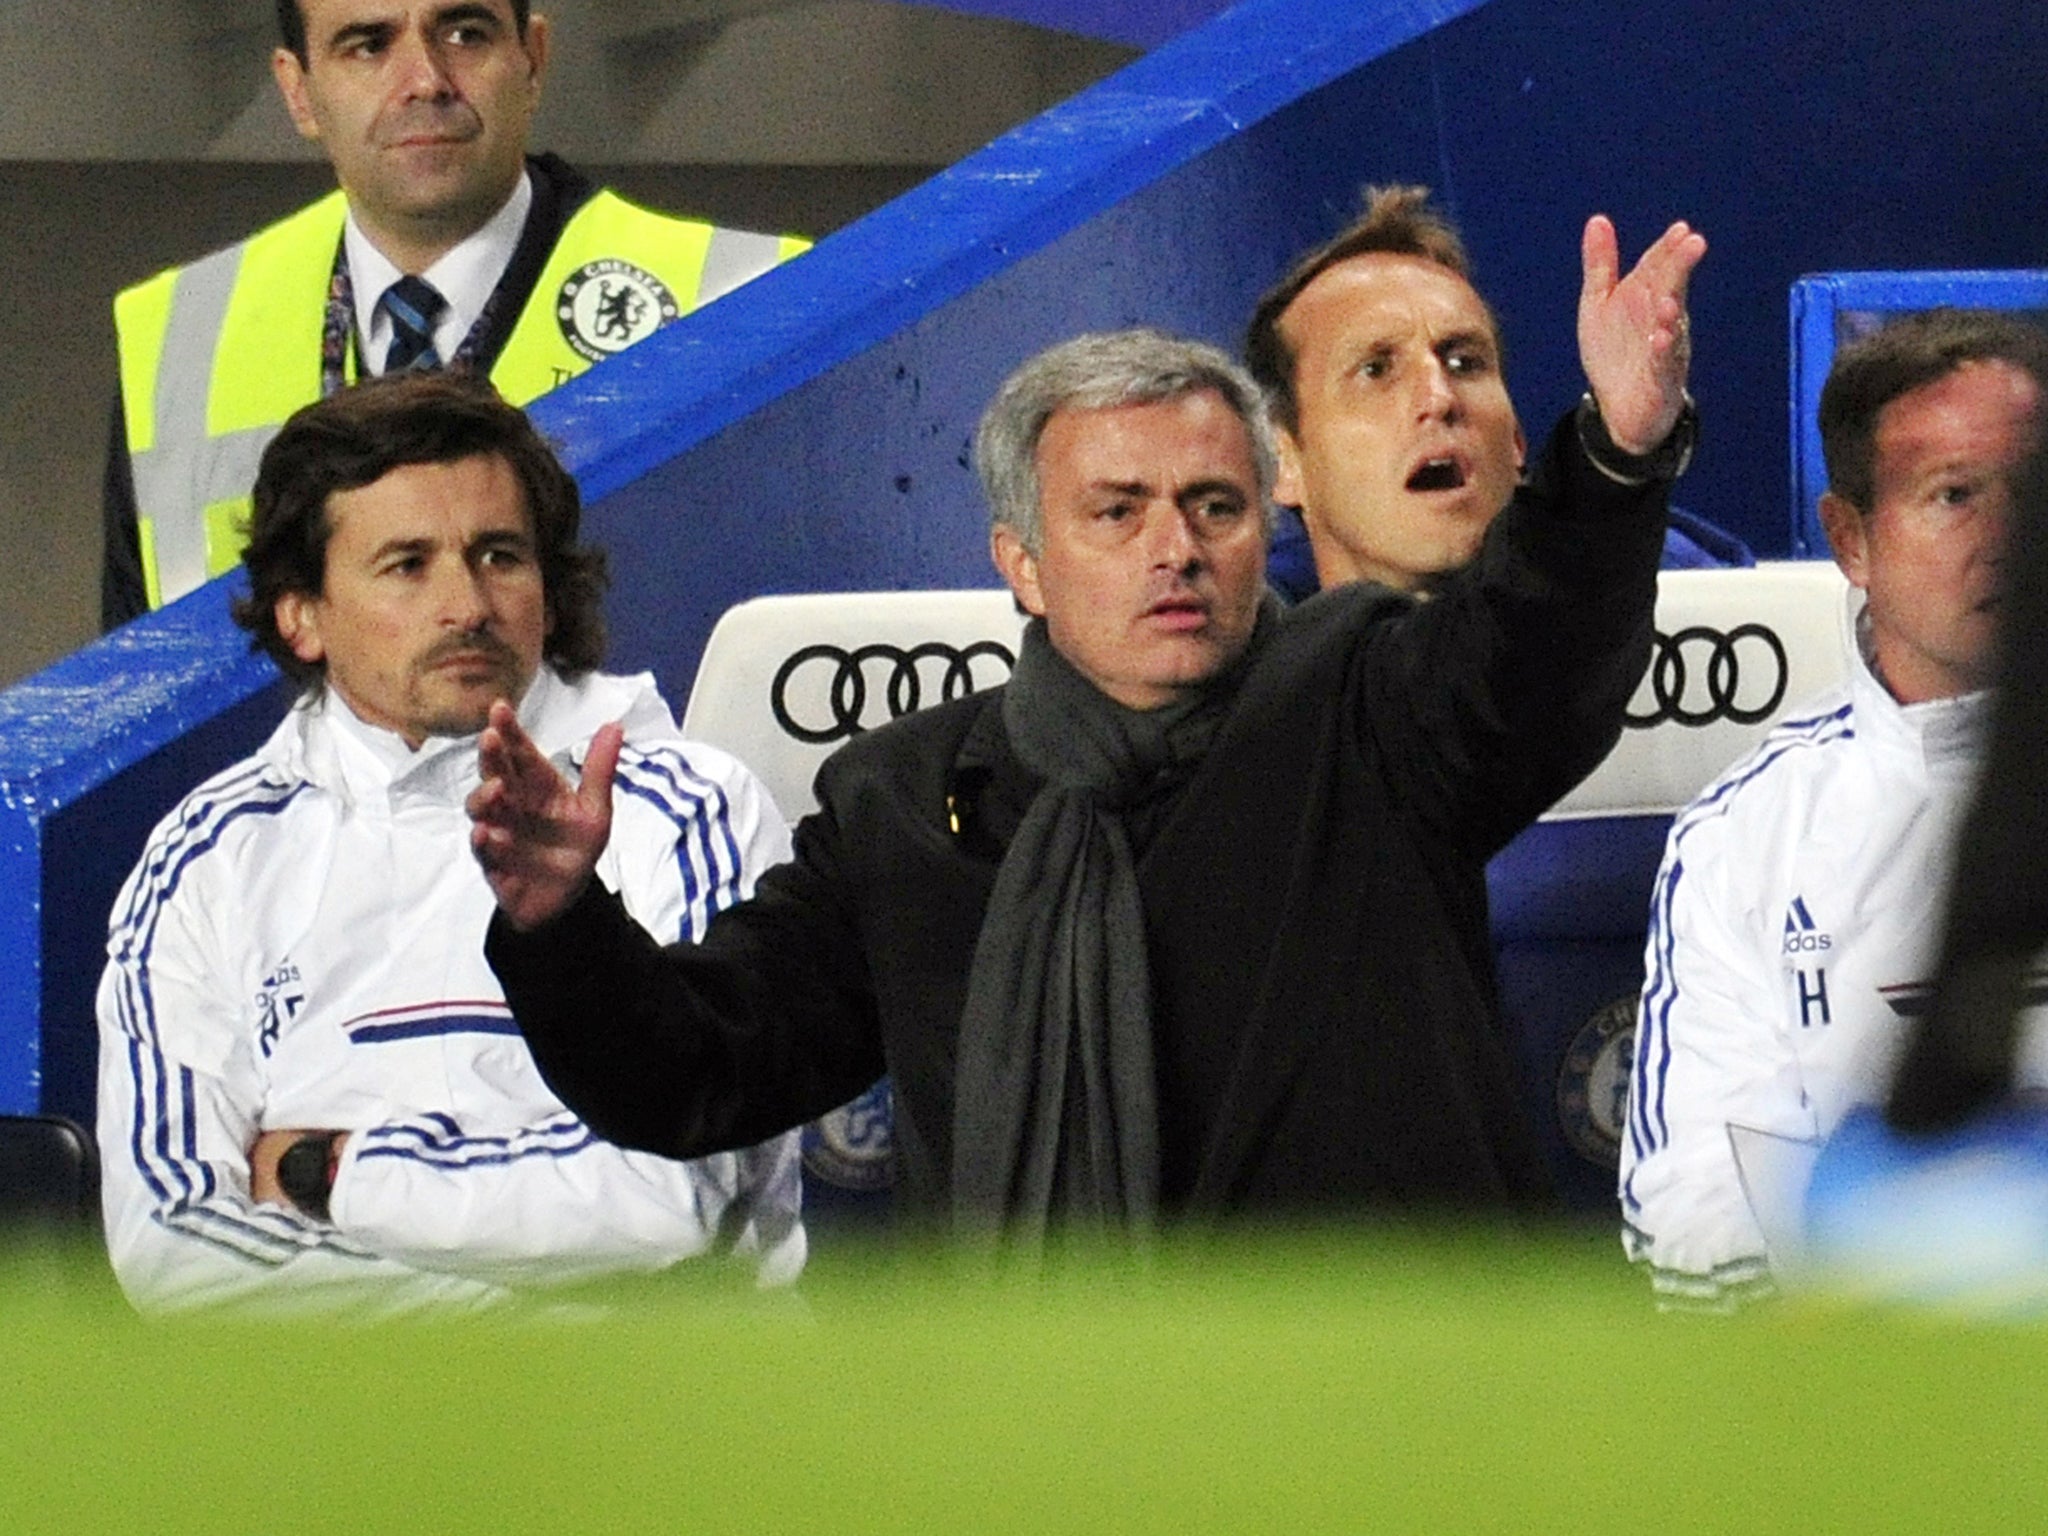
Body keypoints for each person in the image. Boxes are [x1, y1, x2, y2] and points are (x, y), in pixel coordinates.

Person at [470, 212, 1702, 1238]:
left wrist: (1612, 458)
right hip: (1059, 1448)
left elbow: (1531, 660)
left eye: (1213, 506)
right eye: (1117, 512)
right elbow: (698, 1070)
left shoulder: (1362, 699)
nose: (1176, 548)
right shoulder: (906, 803)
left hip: (1383, 1423)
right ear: (1023, 562)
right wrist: (561, 926)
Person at [95, 372, 803, 1315]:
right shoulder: (208, 857)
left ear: (549, 590)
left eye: (499, 556)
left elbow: (665, 1196)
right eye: (407, 564)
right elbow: (174, 1247)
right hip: (342, 1437)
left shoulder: (692, 808)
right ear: (300, 614)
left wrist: (330, 1172)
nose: (466, 603)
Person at [102, 0, 808, 627]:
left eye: (465, 33)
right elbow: (128, 706)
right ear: (298, 91)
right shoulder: (179, 335)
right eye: (369, 45)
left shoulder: (752, 296)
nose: (426, 81)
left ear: (533, 59)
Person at [1620, 308, 2048, 1310]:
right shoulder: (1741, 841)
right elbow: (1687, 1218)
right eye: (1952, 495)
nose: (2003, 540)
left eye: (2030, 496)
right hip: (1876, 1407)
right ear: (1848, 537)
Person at [1244, 185, 1731, 603]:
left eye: (1465, 363)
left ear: (1517, 441)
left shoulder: (1681, 592)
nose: (1439, 398)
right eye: (1376, 369)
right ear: (1283, 459)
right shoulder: (1231, 680)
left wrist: (1624, 451)